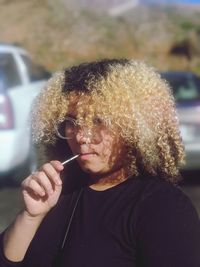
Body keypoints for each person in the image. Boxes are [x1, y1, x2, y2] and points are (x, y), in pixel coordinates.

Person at [0, 59, 200, 267]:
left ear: (134, 128)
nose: (81, 137)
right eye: (71, 122)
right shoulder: (56, 192)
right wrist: (31, 216)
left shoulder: (163, 207)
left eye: (98, 121)